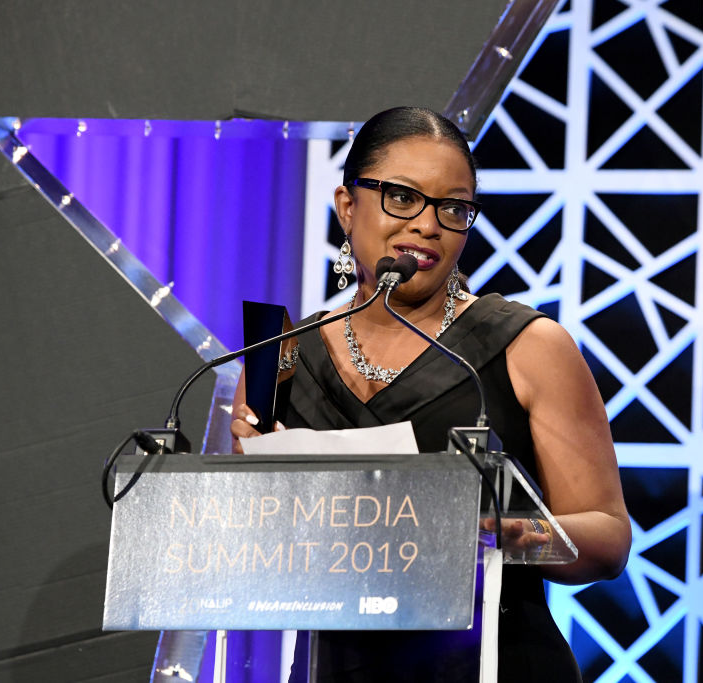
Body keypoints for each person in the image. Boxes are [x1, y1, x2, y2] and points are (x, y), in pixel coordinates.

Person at [230, 106, 631, 682]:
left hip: (499, 660)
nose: (427, 224)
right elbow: (244, 558)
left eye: (453, 207)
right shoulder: (282, 356)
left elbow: (609, 537)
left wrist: (522, 537)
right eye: (401, 197)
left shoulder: (526, 345)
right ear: (347, 205)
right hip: (335, 668)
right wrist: (249, 491)